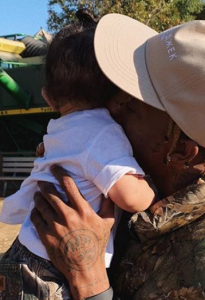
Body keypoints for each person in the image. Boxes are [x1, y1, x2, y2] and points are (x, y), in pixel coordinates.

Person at [31, 13, 205, 300]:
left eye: (131, 106)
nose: (109, 106)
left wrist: (92, 284)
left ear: (180, 151)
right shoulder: (130, 186)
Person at [0, 14, 155, 300]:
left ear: (48, 97)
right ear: (114, 94)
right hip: (52, 269)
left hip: (22, 253)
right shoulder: (104, 132)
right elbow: (133, 198)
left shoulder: (57, 129)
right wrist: (149, 187)